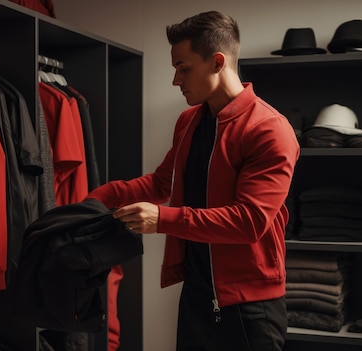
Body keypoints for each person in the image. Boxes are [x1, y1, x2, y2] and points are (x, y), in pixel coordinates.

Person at [86, 10, 300, 351]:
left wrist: (162, 219)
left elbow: (249, 221)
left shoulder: (269, 129)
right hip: (198, 295)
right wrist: (90, 200)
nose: (176, 80)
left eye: (183, 68)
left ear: (217, 61)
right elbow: (160, 184)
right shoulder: (188, 121)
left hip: (250, 306)